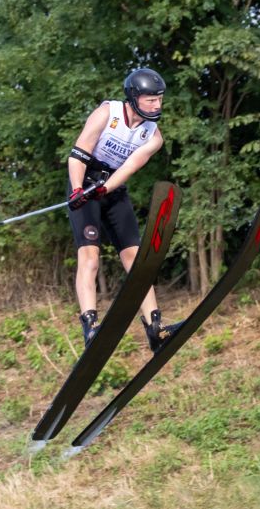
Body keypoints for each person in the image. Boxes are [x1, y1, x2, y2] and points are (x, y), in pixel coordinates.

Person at [65, 67, 179, 352]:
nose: (157, 105)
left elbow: (128, 167)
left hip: (111, 188)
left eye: (159, 99)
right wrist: (79, 189)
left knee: (135, 258)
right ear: (133, 97)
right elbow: (78, 154)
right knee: (90, 257)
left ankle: (155, 329)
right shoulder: (107, 113)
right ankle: (91, 327)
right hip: (84, 181)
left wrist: (106, 188)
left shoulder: (153, 137)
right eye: (151, 99)